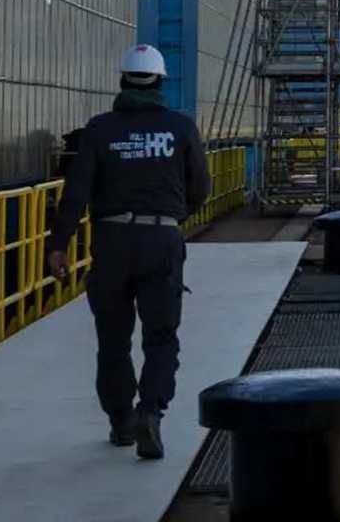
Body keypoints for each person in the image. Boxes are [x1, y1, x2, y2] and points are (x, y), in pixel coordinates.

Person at [45, 44, 210, 461]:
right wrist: (172, 218)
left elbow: (76, 193)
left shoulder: (99, 130)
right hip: (161, 240)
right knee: (161, 336)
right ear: (160, 82)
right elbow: (200, 188)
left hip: (112, 242)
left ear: (122, 80)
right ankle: (150, 412)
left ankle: (120, 421)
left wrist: (59, 245)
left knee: (113, 339)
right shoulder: (180, 127)